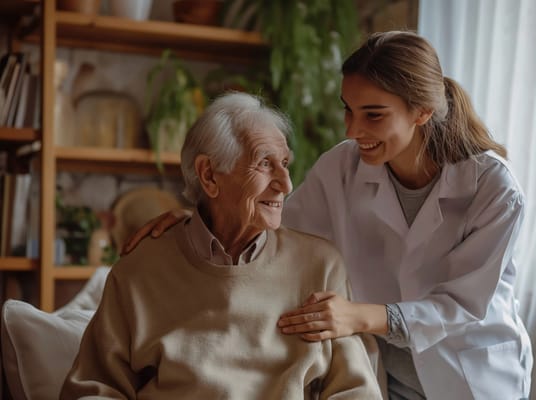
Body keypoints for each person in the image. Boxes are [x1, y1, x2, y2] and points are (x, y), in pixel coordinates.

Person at [124, 31, 533, 400]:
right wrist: (203, 215)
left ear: (422, 111)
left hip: (471, 378)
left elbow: (462, 305)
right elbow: (276, 227)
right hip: (392, 380)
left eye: (373, 115)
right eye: (348, 110)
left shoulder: (493, 188)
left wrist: (359, 316)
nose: (353, 130)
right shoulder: (343, 166)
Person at [61, 92, 383, 399]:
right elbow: (93, 388)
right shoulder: (140, 269)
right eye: (265, 164)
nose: (286, 184)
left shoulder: (320, 265)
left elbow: (355, 392)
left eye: (285, 162)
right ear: (209, 176)